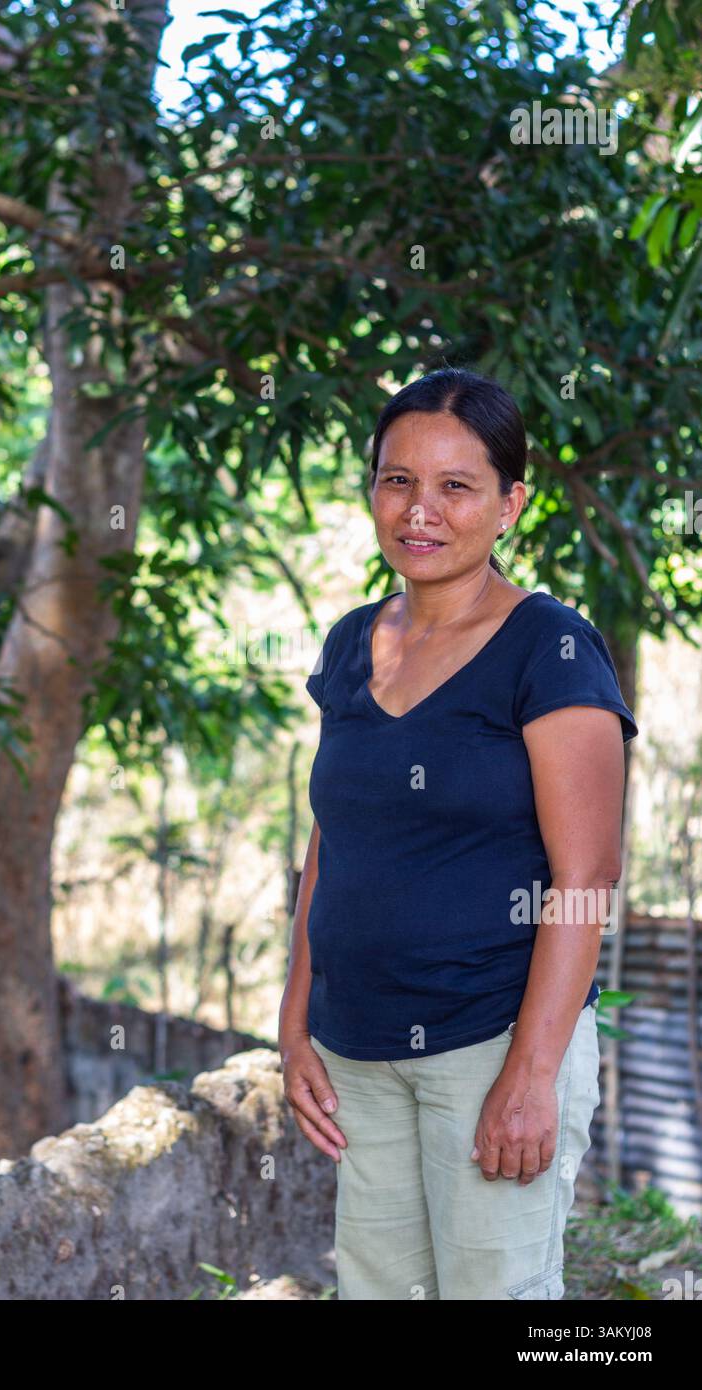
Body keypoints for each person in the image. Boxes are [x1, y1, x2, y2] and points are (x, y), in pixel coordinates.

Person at [278, 367, 638, 1301]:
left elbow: (588, 872)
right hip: (358, 1048)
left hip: (491, 1041)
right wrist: (296, 1017)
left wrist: (531, 1074)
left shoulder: (550, 646)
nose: (420, 510)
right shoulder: (353, 643)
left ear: (511, 503)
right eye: (397, 480)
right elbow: (335, 838)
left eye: (456, 485)